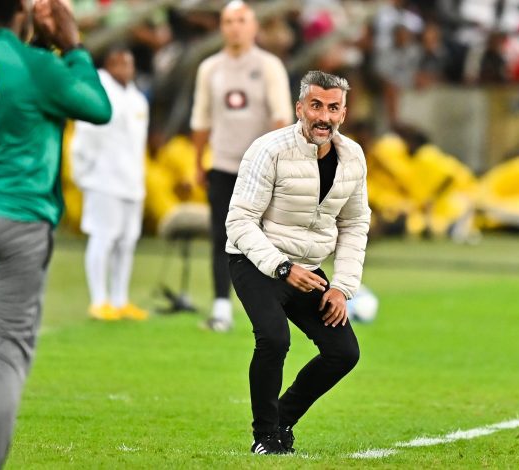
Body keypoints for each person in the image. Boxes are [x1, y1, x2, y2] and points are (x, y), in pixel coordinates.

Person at [0, 0, 111, 468]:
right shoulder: (39, 65)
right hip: (16, 219)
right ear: (23, 8)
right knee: (5, 356)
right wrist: (74, 46)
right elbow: (97, 107)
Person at [225, 70, 370, 454]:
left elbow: (355, 223)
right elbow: (239, 221)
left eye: (333, 108)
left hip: (308, 269)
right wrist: (283, 268)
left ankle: (282, 419)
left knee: (344, 353)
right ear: (299, 108)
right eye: (316, 105)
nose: (324, 116)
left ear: (343, 112)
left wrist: (341, 287)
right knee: (273, 338)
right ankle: (265, 437)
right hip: (256, 260)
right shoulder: (268, 149)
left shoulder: (353, 156)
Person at [190, 0, 293, 332]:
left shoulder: (268, 66)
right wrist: (197, 161)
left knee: (268, 237)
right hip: (222, 163)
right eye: (229, 21)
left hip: (259, 169)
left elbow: (281, 117)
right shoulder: (210, 68)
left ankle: (274, 304)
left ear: (253, 27)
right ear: (221, 27)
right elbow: (201, 118)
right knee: (222, 235)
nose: (235, 27)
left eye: (241, 21)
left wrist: (277, 161)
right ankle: (221, 306)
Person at [71, 45, 149, 321]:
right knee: (102, 238)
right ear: (108, 65)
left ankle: (119, 299)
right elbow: (84, 138)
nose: (125, 69)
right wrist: (83, 174)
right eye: (119, 64)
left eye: (129, 64)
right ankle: (98, 299)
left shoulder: (137, 98)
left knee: (126, 241)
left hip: (131, 180)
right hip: (103, 178)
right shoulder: (99, 92)